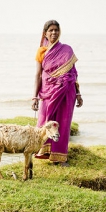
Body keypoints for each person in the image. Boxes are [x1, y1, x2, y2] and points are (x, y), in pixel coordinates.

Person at [31, 20, 83, 164]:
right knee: (45, 122)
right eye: (51, 30)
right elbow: (38, 75)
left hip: (67, 91)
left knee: (63, 123)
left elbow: (73, 73)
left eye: (56, 30)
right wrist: (34, 97)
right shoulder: (41, 51)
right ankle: (45, 151)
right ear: (45, 33)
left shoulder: (67, 50)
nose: (54, 33)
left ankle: (60, 156)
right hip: (48, 92)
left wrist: (78, 94)